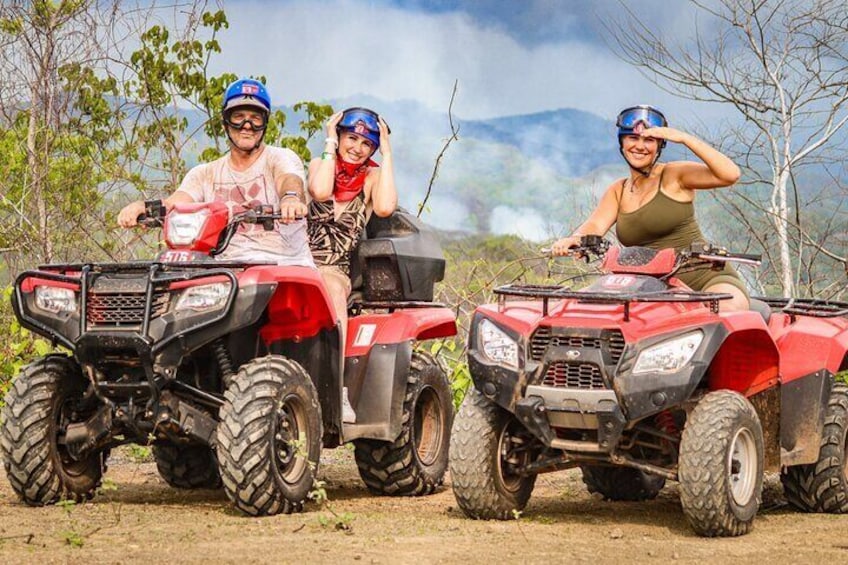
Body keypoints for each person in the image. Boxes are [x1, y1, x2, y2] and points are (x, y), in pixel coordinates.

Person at [551, 104, 748, 312]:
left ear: (660, 145)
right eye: (633, 138)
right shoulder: (618, 190)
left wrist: (682, 138)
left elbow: (729, 174)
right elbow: (595, 225)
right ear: (622, 142)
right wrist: (574, 240)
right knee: (570, 310)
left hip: (706, 278)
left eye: (649, 140)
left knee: (722, 313)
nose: (640, 146)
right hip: (646, 287)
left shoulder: (674, 175)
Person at [117, 78, 313, 267]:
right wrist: (142, 207)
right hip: (224, 267)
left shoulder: (279, 158)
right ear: (225, 123)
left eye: (255, 118)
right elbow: (176, 204)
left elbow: (289, 179)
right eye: (238, 117)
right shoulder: (205, 173)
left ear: (265, 124)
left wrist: (290, 199)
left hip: (283, 263)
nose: (247, 126)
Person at [307, 107, 397, 422]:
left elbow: (385, 207)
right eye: (351, 138)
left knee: (330, 288)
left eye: (366, 144)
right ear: (340, 136)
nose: (357, 148)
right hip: (298, 262)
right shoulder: (319, 164)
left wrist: (387, 153)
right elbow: (319, 190)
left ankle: (339, 389)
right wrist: (330, 141)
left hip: (333, 268)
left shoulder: (372, 179)